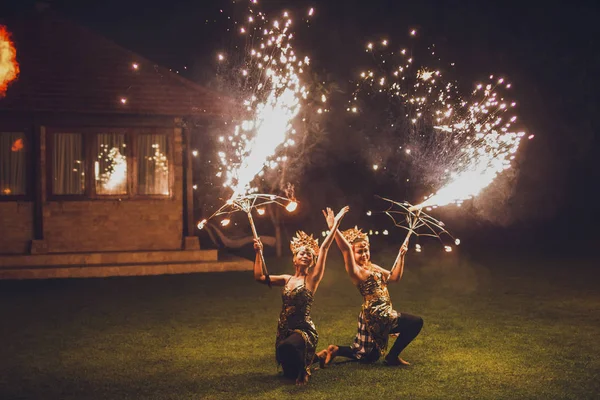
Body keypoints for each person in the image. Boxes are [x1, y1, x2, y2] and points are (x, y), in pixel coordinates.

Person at [253, 206, 349, 385]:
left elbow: (325, 248)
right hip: (284, 329)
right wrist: (258, 252)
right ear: (294, 258)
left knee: (288, 347)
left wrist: (334, 224)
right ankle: (318, 358)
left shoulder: (312, 279)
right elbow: (259, 277)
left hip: (303, 330)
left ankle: (305, 371)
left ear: (312, 261)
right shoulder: (286, 279)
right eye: (302, 253)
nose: (306, 256)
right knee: (286, 367)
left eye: (309, 254)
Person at [316, 218, 423, 367]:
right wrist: (333, 227)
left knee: (367, 356)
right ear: (352, 255)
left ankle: (336, 349)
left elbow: (395, 277)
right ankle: (392, 357)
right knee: (415, 322)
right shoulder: (356, 272)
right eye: (360, 252)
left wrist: (402, 255)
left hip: (375, 313)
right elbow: (345, 249)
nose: (364, 254)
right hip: (377, 314)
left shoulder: (373, 267)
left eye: (366, 250)